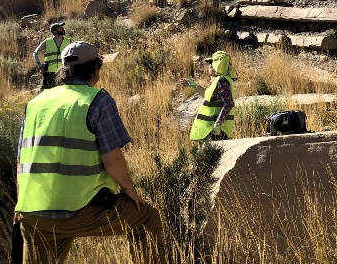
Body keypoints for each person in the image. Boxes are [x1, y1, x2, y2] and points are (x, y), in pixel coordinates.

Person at [14, 41, 162, 264]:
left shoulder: (35, 103)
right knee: (147, 219)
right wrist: (129, 190)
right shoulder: (98, 101)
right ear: (95, 69)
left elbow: (21, 162)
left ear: (64, 70)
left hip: (33, 213)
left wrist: (21, 204)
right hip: (78, 210)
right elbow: (112, 159)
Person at [182, 50, 237, 141]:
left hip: (216, 131)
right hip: (211, 130)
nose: (209, 65)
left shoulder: (222, 80)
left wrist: (218, 124)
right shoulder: (219, 80)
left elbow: (229, 104)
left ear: (218, 64)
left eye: (212, 62)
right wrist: (193, 85)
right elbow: (207, 95)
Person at [33, 22, 71, 91]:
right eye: (60, 28)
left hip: (63, 72)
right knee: (44, 94)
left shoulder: (69, 41)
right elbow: (35, 53)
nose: (63, 29)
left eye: (62, 28)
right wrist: (40, 66)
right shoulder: (47, 42)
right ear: (54, 31)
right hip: (49, 73)